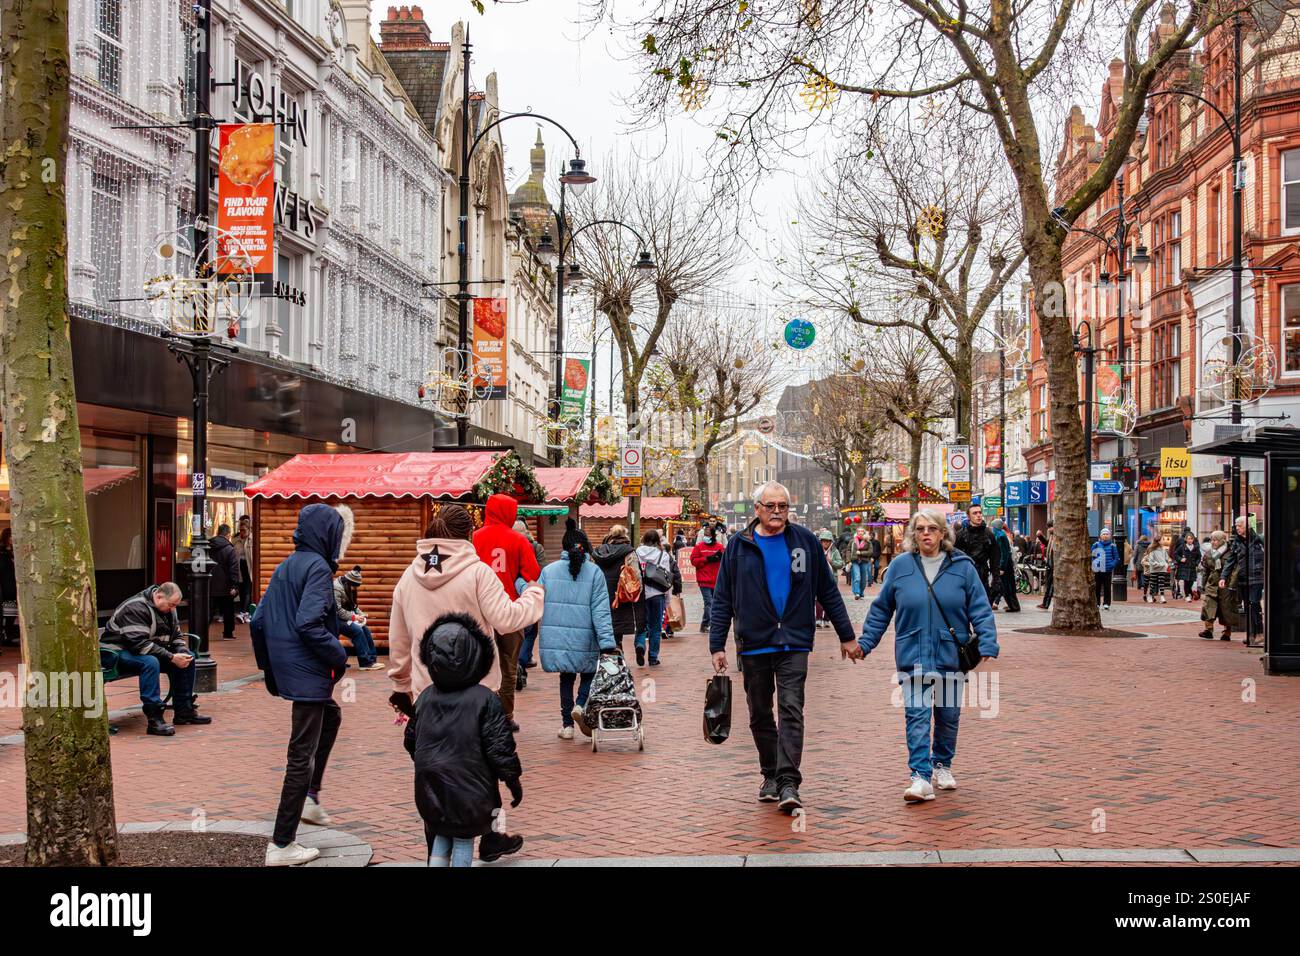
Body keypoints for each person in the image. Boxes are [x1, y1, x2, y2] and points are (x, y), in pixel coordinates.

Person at [709, 481, 857, 814]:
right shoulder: (738, 546)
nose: (777, 512)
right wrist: (716, 643)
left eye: (783, 506)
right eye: (771, 506)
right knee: (760, 713)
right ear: (757, 508)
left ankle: (789, 782)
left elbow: (828, 591)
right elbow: (722, 598)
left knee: (791, 709)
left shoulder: (804, 541)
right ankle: (770, 775)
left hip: (794, 642)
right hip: (754, 643)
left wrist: (846, 635)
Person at [853, 508, 999, 803]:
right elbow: (881, 609)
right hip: (913, 650)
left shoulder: (963, 567)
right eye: (920, 529)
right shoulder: (900, 566)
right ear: (913, 534)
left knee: (948, 716)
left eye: (932, 528)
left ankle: (942, 765)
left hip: (950, 653)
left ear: (943, 533)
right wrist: (866, 643)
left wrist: (988, 643)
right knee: (916, 716)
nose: (926, 534)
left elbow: (980, 608)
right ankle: (920, 777)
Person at [251, 503, 352, 867]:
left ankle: (310, 795)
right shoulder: (318, 568)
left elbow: (258, 622)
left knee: (332, 717)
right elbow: (309, 623)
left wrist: (270, 669)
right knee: (300, 757)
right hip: (308, 672)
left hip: (293, 670)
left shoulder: (285, 566)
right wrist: (338, 656)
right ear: (329, 536)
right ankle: (282, 843)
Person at [389, 505, 545, 738]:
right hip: (477, 692)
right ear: (469, 534)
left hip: (427, 691)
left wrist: (401, 686)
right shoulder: (478, 573)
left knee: (434, 762)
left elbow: (399, 640)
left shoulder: (408, 577)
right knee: (475, 766)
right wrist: (534, 593)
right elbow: (506, 619)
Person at [404, 614, 525, 867]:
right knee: (463, 837)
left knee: (441, 832)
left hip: (430, 782)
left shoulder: (425, 697)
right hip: (470, 782)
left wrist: (430, 761)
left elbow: (411, 740)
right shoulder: (485, 699)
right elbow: (499, 747)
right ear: (476, 656)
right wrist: (512, 779)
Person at [101, 582, 210, 737]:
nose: (173, 609)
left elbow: (176, 636)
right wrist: (171, 657)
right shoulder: (135, 608)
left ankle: (184, 711)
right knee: (150, 662)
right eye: (171, 605)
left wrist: (181, 651)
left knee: (188, 658)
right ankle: (154, 718)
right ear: (158, 596)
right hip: (116, 653)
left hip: (144, 650)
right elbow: (138, 644)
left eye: (175, 606)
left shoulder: (168, 609)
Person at [472, 494, 542, 729]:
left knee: (479, 666)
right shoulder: (519, 540)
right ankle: (506, 716)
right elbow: (532, 573)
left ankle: (480, 716)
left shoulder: (474, 538)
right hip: (510, 610)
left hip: (479, 611)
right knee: (508, 668)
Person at [538, 539, 618, 739]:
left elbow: (535, 597)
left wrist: (520, 583)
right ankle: (581, 704)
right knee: (588, 673)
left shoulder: (548, 571)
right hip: (586, 635)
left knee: (566, 677)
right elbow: (600, 611)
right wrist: (607, 642)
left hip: (560, 636)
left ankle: (567, 726)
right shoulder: (594, 572)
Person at [592, 525, 646, 652]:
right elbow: (636, 575)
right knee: (619, 622)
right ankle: (617, 648)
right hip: (620, 593)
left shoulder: (599, 552)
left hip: (602, 591)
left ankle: (609, 649)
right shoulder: (629, 552)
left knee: (606, 621)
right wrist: (638, 592)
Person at [513, 519, 546, 689]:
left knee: (515, 630)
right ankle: (522, 661)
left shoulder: (509, 545)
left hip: (511, 592)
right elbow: (539, 570)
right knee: (530, 630)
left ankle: (518, 665)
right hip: (529, 591)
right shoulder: (536, 547)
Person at [1221, 515, 1264, 641]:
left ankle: (1259, 633)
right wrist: (1223, 577)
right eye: (1236, 526)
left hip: (1257, 577)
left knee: (1254, 603)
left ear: (1247, 526)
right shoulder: (1236, 542)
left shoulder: (1258, 539)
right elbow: (1230, 560)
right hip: (1243, 578)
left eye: (1239, 526)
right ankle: (1251, 634)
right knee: (1248, 606)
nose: (1237, 528)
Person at [634, 529, 672, 666]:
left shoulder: (637, 552)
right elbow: (666, 577)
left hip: (641, 593)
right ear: (657, 540)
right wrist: (668, 599)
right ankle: (653, 657)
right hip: (657, 594)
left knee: (641, 624)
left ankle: (640, 644)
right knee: (656, 627)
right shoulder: (663, 555)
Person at [334, 565, 382, 671]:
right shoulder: (336, 588)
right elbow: (338, 611)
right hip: (335, 619)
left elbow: (353, 606)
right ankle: (364, 662)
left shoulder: (348, 586)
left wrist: (361, 615)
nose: (354, 589)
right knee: (357, 631)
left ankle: (372, 660)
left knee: (365, 629)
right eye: (354, 586)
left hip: (346, 618)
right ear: (348, 582)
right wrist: (354, 617)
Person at [955, 504, 996, 603]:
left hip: (983, 574)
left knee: (983, 603)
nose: (978, 515)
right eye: (975, 513)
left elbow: (995, 556)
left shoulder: (989, 534)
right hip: (965, 574)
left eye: (980, 513)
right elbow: (954, 556)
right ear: (969, 516)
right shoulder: (961, 534)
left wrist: (996, 579)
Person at [208, 524, 241, 641]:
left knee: (208, 611)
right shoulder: (229, 549)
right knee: (228, 610)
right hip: (225, 585)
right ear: (228, 534)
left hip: (209, 583)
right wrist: (234, 585)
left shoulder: (208, 546)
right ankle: (227, 633)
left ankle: (202, 633)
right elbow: (233, 569)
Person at [1198, 530, 1233, 641]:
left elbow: (1234, 570)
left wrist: (1232, 584)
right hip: (1212, 584)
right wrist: (1204, 585)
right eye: (1212, 540)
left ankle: (1227, 632)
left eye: (1216, 540)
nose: (1213, 542)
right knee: (1209, 605)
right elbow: (1206, 571)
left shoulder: (1230, 552)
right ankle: (1208, 630)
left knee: (1226, 609)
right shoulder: (1209, 554)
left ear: (1222, 541)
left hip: (1225, 584)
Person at [691, 522, 725, 634]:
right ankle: (709, 624)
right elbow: (694, 561)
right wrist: (707, 559)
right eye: (704, 534)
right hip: (704, 580)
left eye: (708, 534)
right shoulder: (699, 547)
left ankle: (705, 623)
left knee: (714, 603)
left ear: (713, 536)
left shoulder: (719, 547)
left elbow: (725, 563)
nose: (706, 536)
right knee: (709, 602)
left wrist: (720, 559)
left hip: (716, 580)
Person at [816, 529, 845, 628]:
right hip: (819, 577)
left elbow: (840, 564)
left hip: (831, 578)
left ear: (831, 542)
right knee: (819, 599)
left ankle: (827, 620)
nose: (825, 543)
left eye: (828, 541)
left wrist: (831, 560)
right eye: (823, 541)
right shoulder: (817, 550)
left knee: (830, 600)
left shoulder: (835, 551)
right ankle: (818, 619)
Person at [990, 518, 1020, 613]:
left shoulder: (1000, 536)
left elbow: (1003, 553)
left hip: (1005, 565)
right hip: (1005, 564)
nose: (992, 528)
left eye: (993, 526)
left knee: (1007, 586)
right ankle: (1013, 605)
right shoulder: (999, 535)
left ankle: (1013, 606)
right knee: (1007, 585)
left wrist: (1002, 567)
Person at [1091, 527, 1119, 610]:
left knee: (1107, 587)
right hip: (1098, 569)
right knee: (1097, 587)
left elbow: (1116, 558)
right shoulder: (1096, 545)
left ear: (1110, 536)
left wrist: (1111, 565)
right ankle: (1097, 603)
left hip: (1108, 570)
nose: (1105, 535)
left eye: (1107, 534)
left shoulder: (1112, 546)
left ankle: (1106, 603)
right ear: (1100, 535)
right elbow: (1092, 556)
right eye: (1104, 534)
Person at [233, 515, 253, 622]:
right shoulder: (236, 540)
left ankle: (244, 612)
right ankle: (244, 612)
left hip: (249, 567)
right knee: (241, 589)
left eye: (244, 530)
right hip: (239, 567)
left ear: (249, 529)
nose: (242, 532)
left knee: (248, 589)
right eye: (240, 530)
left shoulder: (252, 539)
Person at [1142, 534, 1172, 603]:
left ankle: (1162, 597)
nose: (1163, 541)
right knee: (1153, 583)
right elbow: (1151, 561)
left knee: (1161, 583)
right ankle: (1150, 595)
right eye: (1162, 539)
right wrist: (1161, 564)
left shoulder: (1163, 550)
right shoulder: (1152, 550)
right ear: (1158, 541)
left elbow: (1167, 558)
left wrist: (1168, 561)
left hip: (1162, 569)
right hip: (1154, 569)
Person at [1173, 529, 1200, 602]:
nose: (1190, 540)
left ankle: (1190, 592)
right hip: (1184, 567)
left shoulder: (1196, 547)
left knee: (1191, 581)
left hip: (1192, 566)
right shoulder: (1182, 546)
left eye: (1191, 539)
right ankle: (1187, 595)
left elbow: (1199, 556)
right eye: (1188, 539)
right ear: (1186, 539)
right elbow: (1175, 554)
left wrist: (1196, 563)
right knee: (1186, 581)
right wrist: (1180, 559)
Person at [0, 527, 16, 645]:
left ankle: (8, 635)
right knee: (4, 612)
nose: (12, 539)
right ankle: (4, 636)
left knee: (12, 612)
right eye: (10, 536)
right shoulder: (1, 551)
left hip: (13, 585)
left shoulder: (14, 551)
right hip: (4, 585)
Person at [849, 525, 873, 599]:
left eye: (862, 531)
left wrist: (861, 553)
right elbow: (847, 550)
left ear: (864, 533)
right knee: (857, 577)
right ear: (857, 533)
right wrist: (848, 561)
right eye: (859, 531)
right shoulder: (853, 541)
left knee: (863, 579)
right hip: (855, 561)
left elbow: (870, 552)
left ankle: (861, 592)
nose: (860, 533)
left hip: (864, 561)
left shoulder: (868, 542)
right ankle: (857, 593)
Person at [1037, 522, 1056, 610]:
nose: (1049, 529)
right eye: (1048, 527)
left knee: (1051, 585)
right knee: (1048, 584)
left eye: (1051, 527)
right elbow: (1047, 543)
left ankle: (1046, 603)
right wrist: (1040, 536)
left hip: (1054, 564)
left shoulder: (1058, 536)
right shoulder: (1052, 536)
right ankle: (1045, 603)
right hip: (1049, 563)